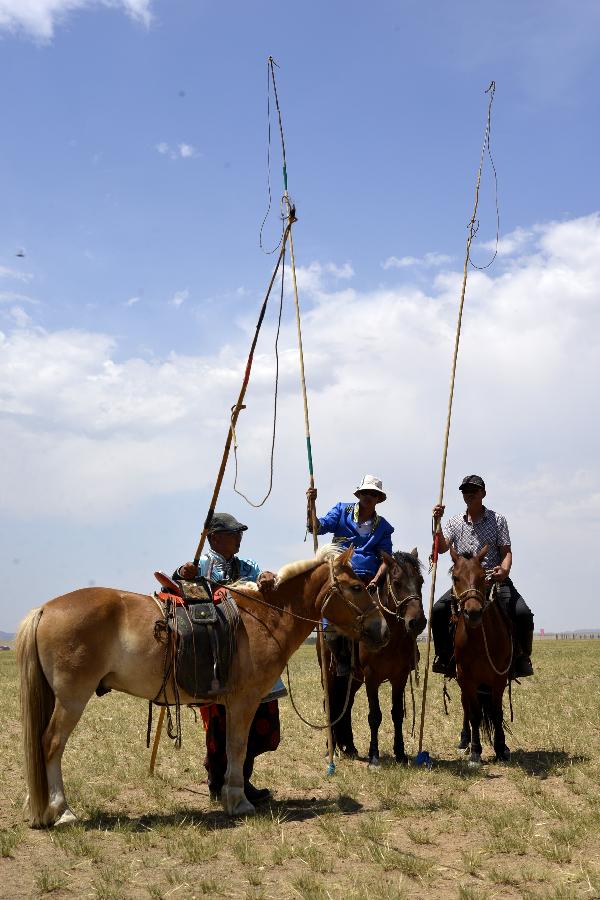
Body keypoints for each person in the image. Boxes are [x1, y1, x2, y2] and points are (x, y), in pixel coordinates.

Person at [174, 512, 281, 804]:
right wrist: (183, 576)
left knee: (259, 722)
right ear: (214, 537)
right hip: (217, 657)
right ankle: (218, 782)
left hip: (251, 655)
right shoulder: (200, 565)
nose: (239, 538)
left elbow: (263, 579)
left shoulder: (249, 565)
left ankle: (241, 780)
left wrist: (269, 576)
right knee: (221, 725)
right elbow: (179, 591)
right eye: (233, 533)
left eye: (240, 533)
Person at [430, 475, 534, 679]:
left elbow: (506, 552)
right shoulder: (453, 522)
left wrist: (504, 571)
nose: (468, 494)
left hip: (493, 579)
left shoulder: (498, 520)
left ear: (483, 494)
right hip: (464, 582)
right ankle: (444, 657)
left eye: (473, 490)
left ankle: (522, 657)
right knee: (438, 611)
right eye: (465, 491)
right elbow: (441, 548)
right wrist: (437, 521)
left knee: (523, 613)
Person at [306, 474, 394, 675]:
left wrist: (376, 579)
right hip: (341, 576)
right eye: (365, 492)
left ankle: (402, 652)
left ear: (378, 499)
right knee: (330, 614)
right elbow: (315, 527)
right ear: (359, 494)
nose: (368, 496)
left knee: (398, 601)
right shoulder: (341, 511)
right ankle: (341, 657)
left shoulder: (383, 527)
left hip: (370, 578)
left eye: (373, 494)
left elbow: (385, 558)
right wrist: (311, 504)